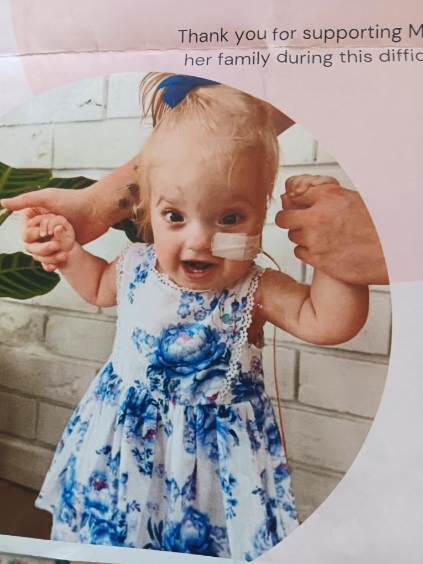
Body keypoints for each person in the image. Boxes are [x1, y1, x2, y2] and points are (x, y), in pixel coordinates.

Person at [19, 73, 369, 560]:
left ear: (262, 211)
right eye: (175, 217)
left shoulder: (256, 289)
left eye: (230, 219)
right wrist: (67, 253)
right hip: (121, 452)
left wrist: (336, 255)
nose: (200, 240)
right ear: (147, 209)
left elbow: (330, 322)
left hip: (210, 473)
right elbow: (98, 286)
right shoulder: (137, 266)